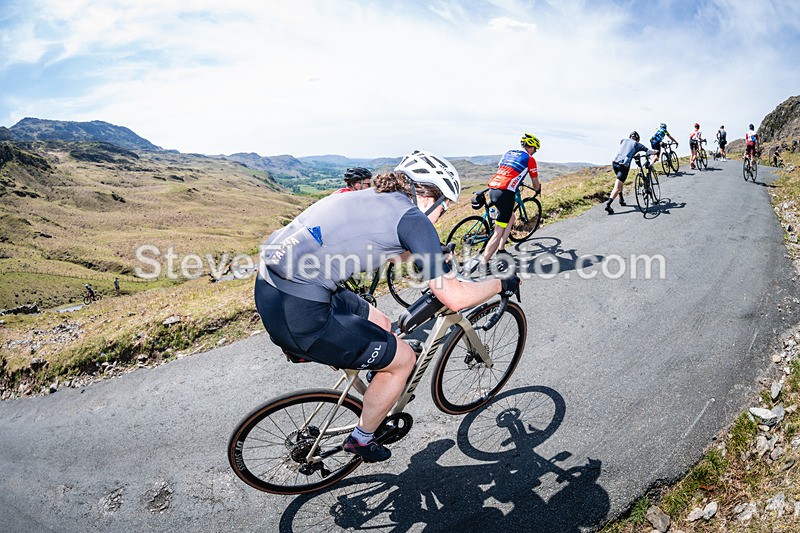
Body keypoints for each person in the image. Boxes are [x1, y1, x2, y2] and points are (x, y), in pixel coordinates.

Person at [255, 149, 519, 462]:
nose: (438, 217)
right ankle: (362, 439)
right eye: (443, 209)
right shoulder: (413, 218)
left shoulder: (371, 196)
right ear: (428, 198)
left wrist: (432, 252)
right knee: (404, 359)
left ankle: (376, 379)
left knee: (381, 322)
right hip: (301, 309)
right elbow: (455, 298)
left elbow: (390, 247)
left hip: (272, 285)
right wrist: (501, 283)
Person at [467, 133, 542, 274]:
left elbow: (505, 170)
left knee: (511, 217)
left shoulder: (508, 153)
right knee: (498, 230)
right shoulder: (530, 159)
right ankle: (483, 264)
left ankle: (501, 249)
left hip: (493, 188)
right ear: (531, 148)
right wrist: (537, 189)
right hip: (506, 193)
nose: (534, 152)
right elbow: (535, 182)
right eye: (535, 149)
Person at [604, 132, 655, 214]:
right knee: (617, 186)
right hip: (623, 166)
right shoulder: (637, 144)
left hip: (615, 163)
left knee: (620, 181)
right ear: (638, 139)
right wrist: (656, 151)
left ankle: (621, 199)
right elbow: (649, 151)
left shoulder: (623, 141)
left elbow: (626, 151)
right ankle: (608, 204)